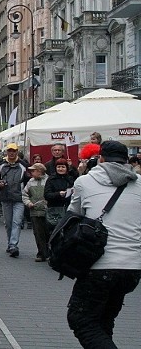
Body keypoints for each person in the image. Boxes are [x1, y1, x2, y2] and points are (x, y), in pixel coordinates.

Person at [66, 141, 141, 348]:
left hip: (99, 266)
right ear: (127, 161)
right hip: (132, 268)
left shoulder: (85, 181)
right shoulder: (140, 183)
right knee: (103, 320)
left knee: (81, 320)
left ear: (100, 159)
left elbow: (73, 215)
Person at [0, 143, 29, 258]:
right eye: (10, 151)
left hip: (19, 198)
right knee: (8, 223)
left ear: (17, 152)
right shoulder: (1, 165)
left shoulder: (24, 165)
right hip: (5, 198)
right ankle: (10, 244)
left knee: (16, 222)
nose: (12, 153)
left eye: (14, 151)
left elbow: (29, 180)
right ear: (7, 152)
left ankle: (13, 245)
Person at [21, 163, 49, 262]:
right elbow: (24, 194)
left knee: (47, 232)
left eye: (33, 170)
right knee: (38, 233)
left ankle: (48, 252)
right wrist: (28, 203)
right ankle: (41, 253)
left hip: (47, 211)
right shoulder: (30, 182)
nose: (31, 172)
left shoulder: (48, 181)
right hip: (35, 211)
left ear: (40, 171)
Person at [44, 158, 75, 232]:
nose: (60, 169)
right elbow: (47, 195)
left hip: (68, 208)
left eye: (63, 167)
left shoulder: (70, 179)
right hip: (54, 209)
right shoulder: (51, 179)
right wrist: (58, 194)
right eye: (58, 167)